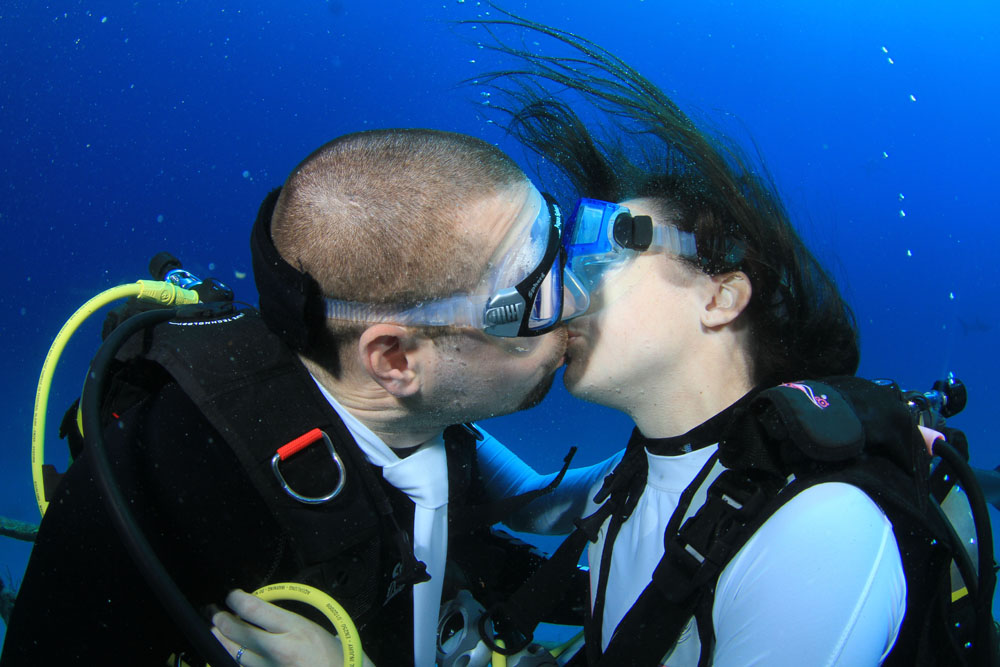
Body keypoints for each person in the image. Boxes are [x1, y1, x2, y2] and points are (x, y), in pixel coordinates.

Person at [212, 15, 993, 667]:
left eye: (612, 244)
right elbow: (542, 511)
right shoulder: (644, 475)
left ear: (721, 295)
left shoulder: (819, 533)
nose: (567, 285)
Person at [0, 128, 617, 667]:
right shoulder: (164, 489)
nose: (573, 303)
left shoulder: (413, 415)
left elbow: (532, 505)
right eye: (528, 297)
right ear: (396, 360)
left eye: (555, 248)